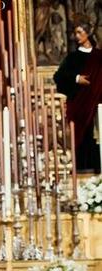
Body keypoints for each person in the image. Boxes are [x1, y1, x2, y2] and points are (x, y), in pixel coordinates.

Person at [53, 22, 102, 172]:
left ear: (88, 33)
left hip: (98, 106)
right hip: (80, 107)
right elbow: (59, 77)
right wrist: (76, 78)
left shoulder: (99, 56)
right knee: (82, 140)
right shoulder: (73, 57)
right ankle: (81, 172)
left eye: (80, 32)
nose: (77, 36)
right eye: (76, 33)